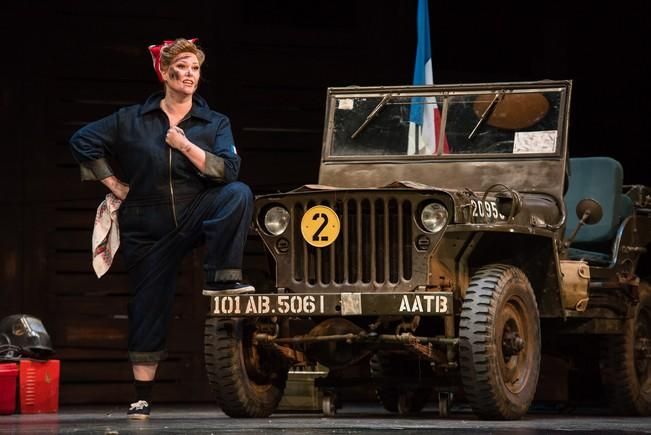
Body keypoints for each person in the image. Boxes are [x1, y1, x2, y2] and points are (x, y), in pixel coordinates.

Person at [69, 38, 255, 419]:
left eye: (195, 68)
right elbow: (82, 141)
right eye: (182, 67)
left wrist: (185, 145)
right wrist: (115, 184)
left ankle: (221, 277)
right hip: (146, 220)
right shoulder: (131, 119)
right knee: (147, 304)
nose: (190, 75)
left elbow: (227, 170)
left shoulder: (213, 121)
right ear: (165, 73)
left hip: (195, 207)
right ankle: (142, 395)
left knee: (238, 193)